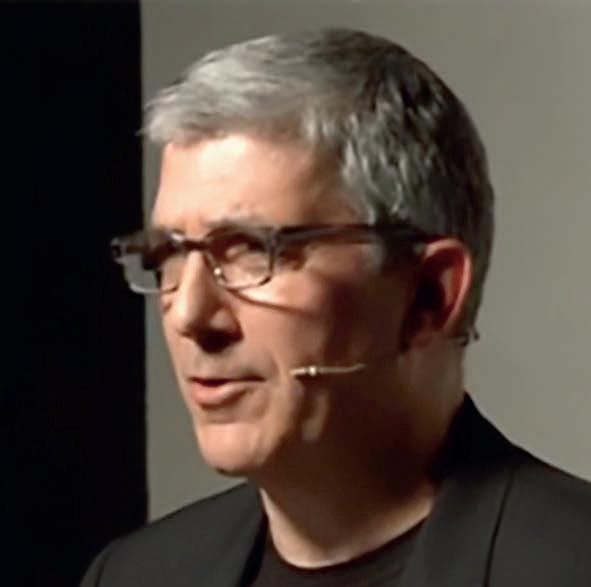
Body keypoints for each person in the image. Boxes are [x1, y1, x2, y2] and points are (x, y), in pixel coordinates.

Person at [82, 28, 591, 586]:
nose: (189, 316)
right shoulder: (134, 575)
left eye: (251, 251)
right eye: (169, 255)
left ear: (429, 297)